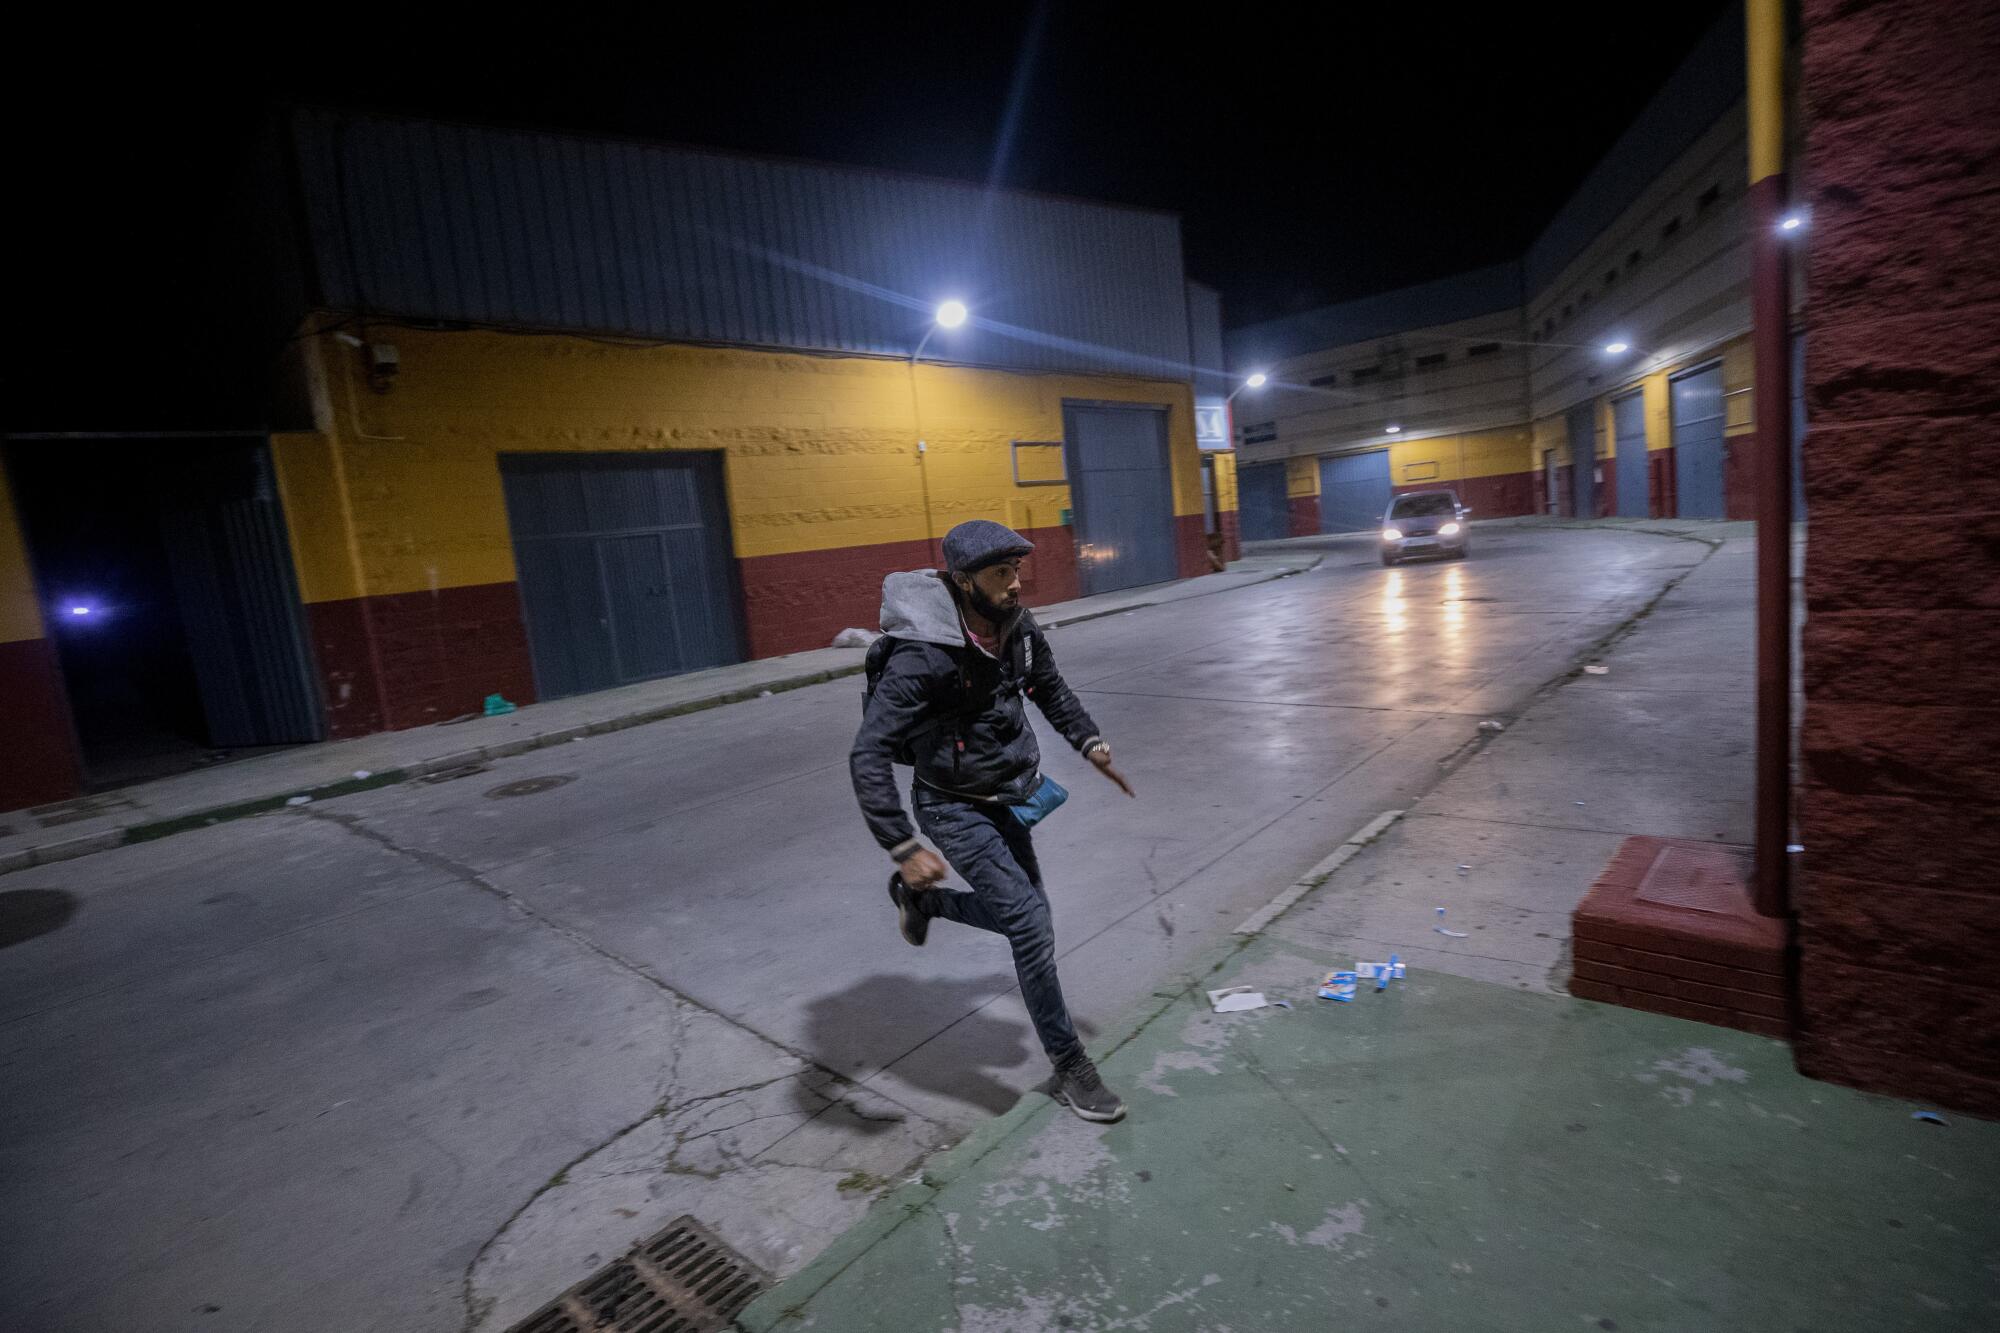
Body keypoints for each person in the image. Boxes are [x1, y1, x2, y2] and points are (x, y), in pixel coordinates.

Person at [850, 519, 1136, 1122]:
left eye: (1016, 571)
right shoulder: (923, 656)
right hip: (950, 805)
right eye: (1000, 574)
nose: (1014, 584)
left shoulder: (1016, 627)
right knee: (1030, 926)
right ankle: (1070, 1067)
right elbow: (868, 751)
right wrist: (902, 844)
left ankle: (924, 904)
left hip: (1007, 794)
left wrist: (1088, 741)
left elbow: (1047, 687)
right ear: (962, 581)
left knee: (1031, 921)